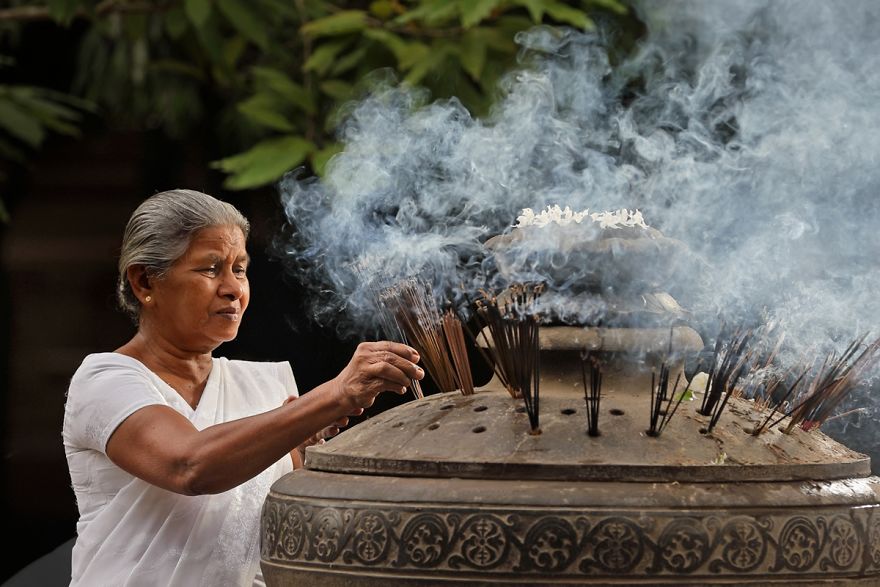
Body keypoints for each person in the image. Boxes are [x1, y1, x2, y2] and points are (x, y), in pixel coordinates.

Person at [62, 189, 424, 586]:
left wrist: (305, 451)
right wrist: (333, 396)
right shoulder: (104, 380)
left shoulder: (264, 386)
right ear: (145, 281)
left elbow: (289, 528)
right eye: (210, 269)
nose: (233, 288)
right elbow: (189, 465)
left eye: (239, 269)